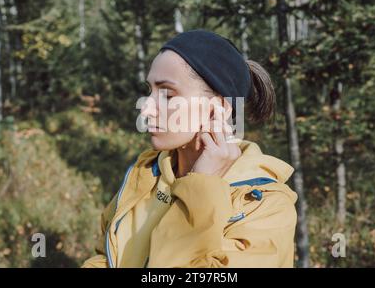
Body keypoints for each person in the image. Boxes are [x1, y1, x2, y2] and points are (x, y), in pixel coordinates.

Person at [82, 29, 297, 268]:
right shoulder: (144, 175)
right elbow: (106, 256)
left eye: (167, 94)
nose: (145, 109)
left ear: (219, 108)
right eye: (149, 91)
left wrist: (201, 187)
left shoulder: (265, 207)